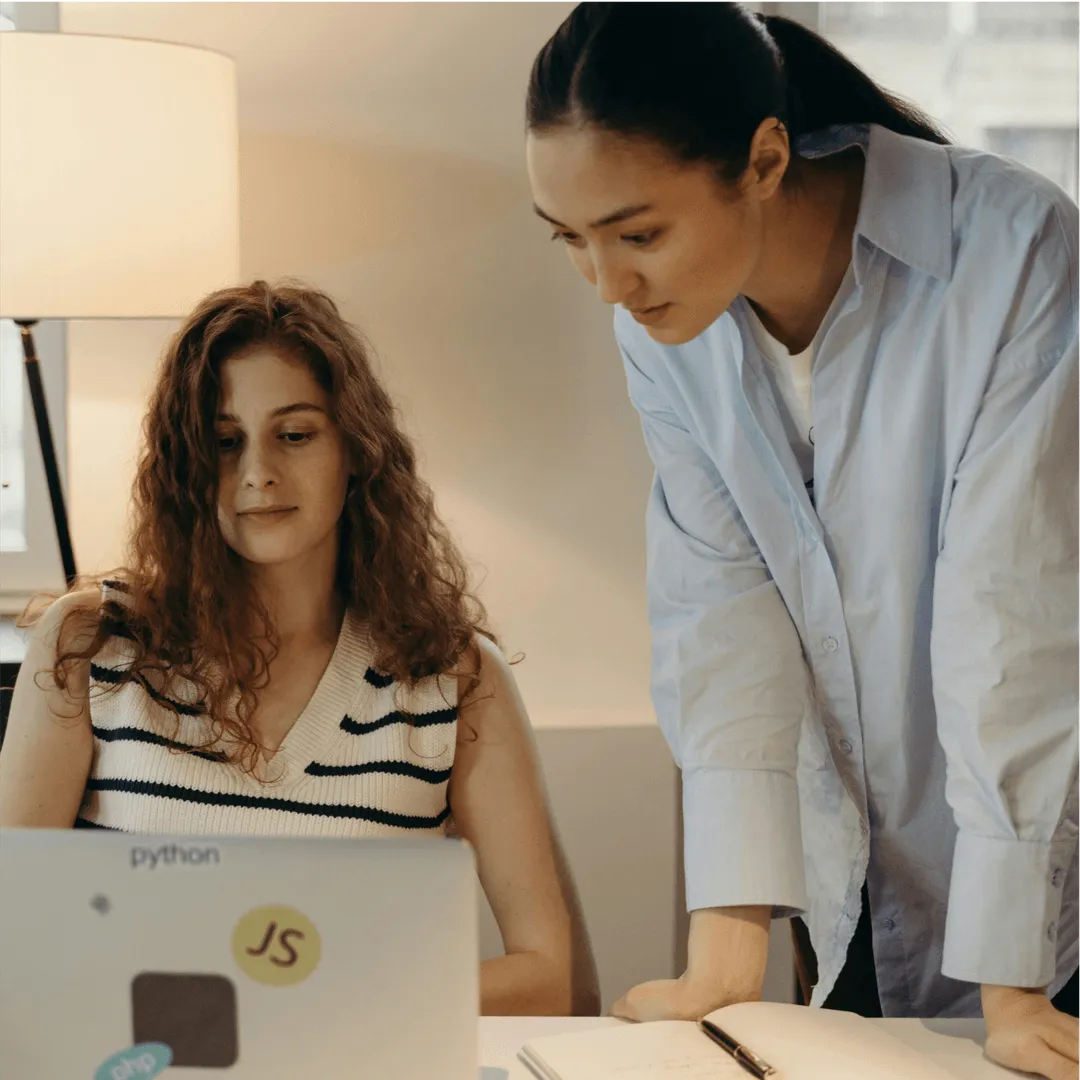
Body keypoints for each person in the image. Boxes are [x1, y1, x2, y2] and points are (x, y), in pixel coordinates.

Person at [524, 2, 1079, 1077]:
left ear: (764, 158)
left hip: (1052, 877)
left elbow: (1014, 614)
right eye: (571, 240)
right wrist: (726, 944)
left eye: (638, 233)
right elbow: (720, 609)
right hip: (862, 885)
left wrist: (1013, 984)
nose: (607, 283)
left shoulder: (1012, 251)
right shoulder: (665, 331)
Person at [0, 281, 600, 1019]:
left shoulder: (455, 676)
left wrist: (314, 1003)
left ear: (357, 450)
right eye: (224, 443)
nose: (258, 473)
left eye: (295, 434)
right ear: (189, 466)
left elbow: (551, 979)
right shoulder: (88, 647)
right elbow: (12, 935)